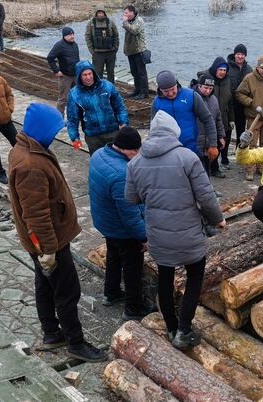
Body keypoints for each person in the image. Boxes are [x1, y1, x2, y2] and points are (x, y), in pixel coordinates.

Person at [8, 102, 106, 362]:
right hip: (49, 241)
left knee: (44, 284)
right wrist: (48, 250)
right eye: (53, 130)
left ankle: (51, 333)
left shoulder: (28, 148)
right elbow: (36, 214)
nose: (55, 135)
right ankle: (76, 342)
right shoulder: (31, 165)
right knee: (67, 291)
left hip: (41, 240)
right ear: (40, 130)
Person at [125, 111, 225, 349]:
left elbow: (131, 198)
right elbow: (206, 196)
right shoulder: (187, 157)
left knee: (165, 277)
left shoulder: (135, 162)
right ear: (174, 132)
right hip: (188, 233)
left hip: (159, 235)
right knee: (194, 277)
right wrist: (218, 219)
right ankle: (184, 330)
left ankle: (170, 328)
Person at [89, 126, 153, 320]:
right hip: (121, 229)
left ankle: (112, 293)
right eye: (137, 151)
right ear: (127, 149)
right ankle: (133, 308)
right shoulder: (121, 174)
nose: (138, 154)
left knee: (113, 257)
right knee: (132, 266)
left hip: (105, 221)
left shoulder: (100, 153)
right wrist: (144, 237)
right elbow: (130, 215)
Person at [151, 70, 217, 161]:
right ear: (160, 89)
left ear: (177, 84)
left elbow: (208, 119)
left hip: (191, 148)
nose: (170, 93)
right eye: (166, 91)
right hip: (167, 151)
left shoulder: (191, 95)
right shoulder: (156, 102)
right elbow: (153, 129)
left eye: (172, 89)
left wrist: (213, 145)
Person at [66, 61, 128, 155]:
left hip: (113, 132)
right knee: (98, 163)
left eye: (90, 73)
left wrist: (123, 122)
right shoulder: (74, 94)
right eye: (84, 75)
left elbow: (119, 106)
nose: (88, 77)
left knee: (118, 159)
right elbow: (72, 119)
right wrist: (75, 138)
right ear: (79, 76)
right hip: (93, 137)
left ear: (93, 73)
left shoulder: (107, 86)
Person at [198, 57, 233, 169]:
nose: (222, 72)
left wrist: (231, 119)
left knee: (222, 142)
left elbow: (230, 101)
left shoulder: (227, 81)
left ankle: (219, 163)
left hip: (223, 116)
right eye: (220, 69)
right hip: (204, 126)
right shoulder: (205, 81)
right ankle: (211, 167)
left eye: (224, 70)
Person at [190, 74, 226, 178]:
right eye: (205, 88)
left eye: (210, 88)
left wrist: (221, 136)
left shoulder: (214, 99)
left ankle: (209, 189)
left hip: (209, 140)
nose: (208, 91)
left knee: (207, 168)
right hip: (196, 139)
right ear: (199, 86)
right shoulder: (192, 98)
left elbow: (218, 119)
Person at [46, 26, 80, 114]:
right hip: (65, 76)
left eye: (73, 34)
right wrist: (56, 71)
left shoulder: (75, 44)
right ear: (64, 36)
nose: (72, 36)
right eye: (69, 35)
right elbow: (50, 58)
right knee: (63, 99)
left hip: (75, 75)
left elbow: (77, 59)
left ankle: (75, 116)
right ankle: (59, 118)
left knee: (76, 97)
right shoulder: (59, 45)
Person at [85, 5, 120, 83]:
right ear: (96, 14)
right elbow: (88, 37)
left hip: (110, 52)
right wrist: (92, 51)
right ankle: (98, 89)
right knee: (97, 73)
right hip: (98, 53)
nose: (100, 14)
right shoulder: (91, 23)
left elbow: (116, 36)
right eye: (99, 13)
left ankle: (111, 89)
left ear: (104, 13)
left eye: (102, 13)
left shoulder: (110, 22)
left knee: (111, 73)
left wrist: (115, 49)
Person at [226, 44, 253, 144]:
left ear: (245, 56)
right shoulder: (227, 67)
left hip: (242, 107)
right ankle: (224, 157)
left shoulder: (249, 69)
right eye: (238, 54)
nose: (240, 56)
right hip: (229, 106)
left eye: (242, 54)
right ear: (234, 54)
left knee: (241, 133)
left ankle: (239, 155)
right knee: (227, 133)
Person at [121, 5, 148, 99]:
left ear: (132, 12)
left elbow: (134, 30)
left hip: (139, 50)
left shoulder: (139, 20)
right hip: (131, 51)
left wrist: (125, 22)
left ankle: (144, 92)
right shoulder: (129, 21)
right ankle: (137, 89)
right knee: (134, 71)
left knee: (141, 72)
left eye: (126, 13)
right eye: (124, 13)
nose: (125, 15)